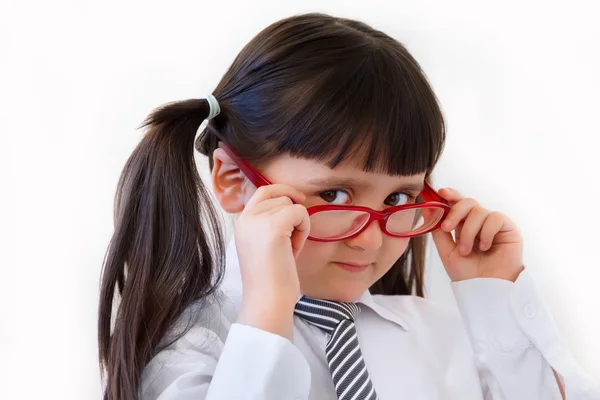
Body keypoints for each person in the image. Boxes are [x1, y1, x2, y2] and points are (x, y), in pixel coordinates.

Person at [97, 12, 600, 400]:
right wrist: (269, 310)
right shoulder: (190, 351)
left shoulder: (441, 331)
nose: (371, 237)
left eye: (399, 198)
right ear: (233, 180)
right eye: (333, 195)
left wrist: (494, 301)